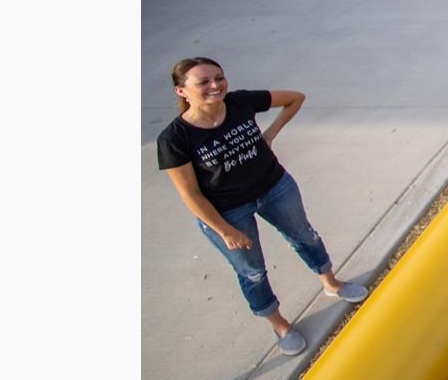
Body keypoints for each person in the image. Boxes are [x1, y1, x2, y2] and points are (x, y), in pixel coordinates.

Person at [158, 58, 370, 357]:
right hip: (227, 212)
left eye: (219, 77)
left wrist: (269, 134)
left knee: (305, 236)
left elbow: (295, 98)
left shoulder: (241, 102)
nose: (215, 85)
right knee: (252, 272)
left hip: (274, 188)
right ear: (182, 91)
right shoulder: (174, 139)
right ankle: (280, 325)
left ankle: (331, 283)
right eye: (203, 82)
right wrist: (225, 230)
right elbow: (191, 194)